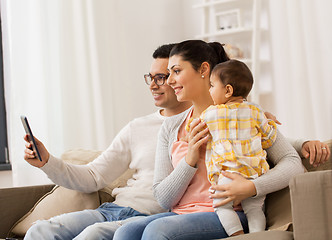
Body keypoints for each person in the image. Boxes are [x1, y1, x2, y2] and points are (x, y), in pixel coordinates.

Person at [23, 41, 329, 240]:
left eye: (174, 72)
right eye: (164, 74)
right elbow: (164, 198)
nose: (167, 82)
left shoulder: (243, 117)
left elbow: (287, 158)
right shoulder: (171, 128)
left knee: (157, 229)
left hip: (229, 213)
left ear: (204, 71)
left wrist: (252, 186)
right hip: (178, 212)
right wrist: (190, 157)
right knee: (125, 234)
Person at [23, 44, 192, 239]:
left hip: (152, 218)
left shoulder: (201, 123)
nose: (153, 85)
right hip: (112, 210)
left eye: (161, 78)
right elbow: (94, 176)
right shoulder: (138, 127)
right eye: (151, 78)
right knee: (40, 231)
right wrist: (47, 162)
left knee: (91, 236)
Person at [200, 59, 277, 236]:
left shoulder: (211, 114)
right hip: (255, 175)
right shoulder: (256, 111)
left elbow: (192, 128)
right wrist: (270, 121)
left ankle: (238, 237)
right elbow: (269, 138)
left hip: (228, 175)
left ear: (227, 90)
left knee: (221, 206)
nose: (209, 90)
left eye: (212, 86)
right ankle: (257, 236)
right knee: (255, 209)